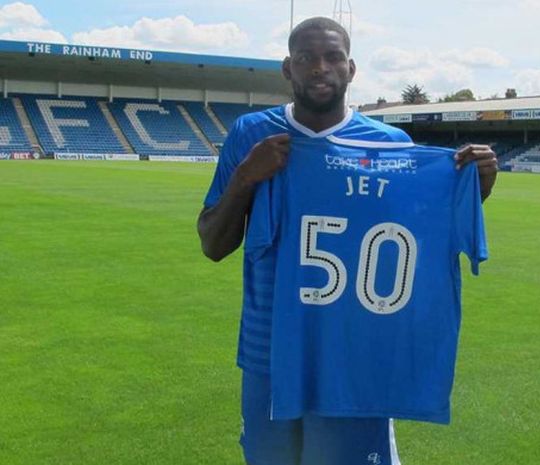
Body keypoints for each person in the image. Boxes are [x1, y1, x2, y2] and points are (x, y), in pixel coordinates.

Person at [198, 16, 498, 465]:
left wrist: (475, 189)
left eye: (332, 57)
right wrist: (245, 176)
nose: (320, 67)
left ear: (352, 68)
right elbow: (213, 244)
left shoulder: (390, 145)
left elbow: (422, 242)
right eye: (306, 58)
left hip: (353, 353)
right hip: (269, 351)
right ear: (287, 68)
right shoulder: (251, 134)